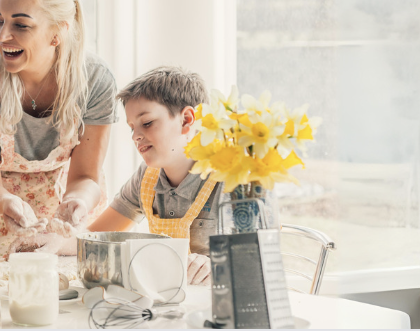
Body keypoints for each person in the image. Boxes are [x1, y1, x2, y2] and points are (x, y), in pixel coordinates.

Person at [0, 0, 118, 260]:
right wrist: (6, 203)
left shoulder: (95, 80)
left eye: (21, 25)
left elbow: (86, 176)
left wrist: (78, 201)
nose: (2, 36)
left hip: (62, 215)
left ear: (57, 33)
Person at [86, 66, 278, 285]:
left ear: (186, 120)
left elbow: (264, 264)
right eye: (132, 128)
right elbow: (94, 237)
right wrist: (58, 235)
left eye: (147, 123)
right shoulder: (146, 176)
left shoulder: (237, 177)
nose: (135, 136)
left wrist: (220, 266)